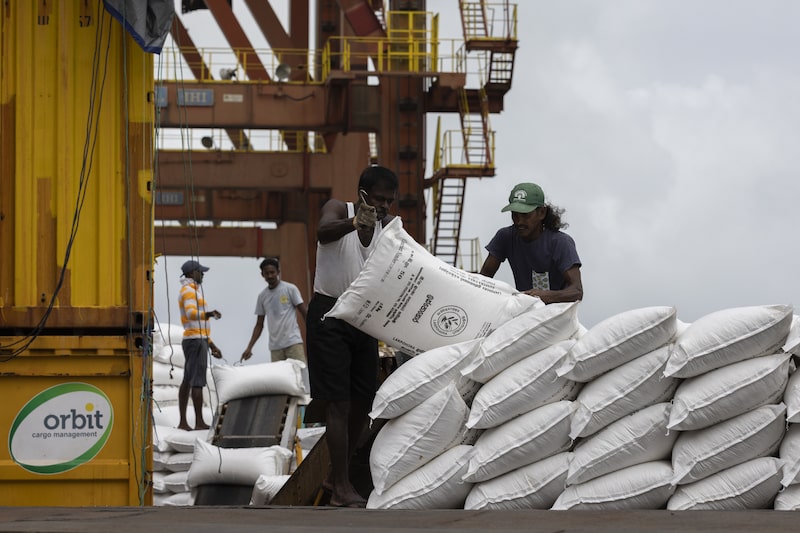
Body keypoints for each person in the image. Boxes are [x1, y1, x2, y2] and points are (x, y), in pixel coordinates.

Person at [306, 165, 399, 508]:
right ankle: (341, 488)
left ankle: (336, 476)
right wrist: (353, 221)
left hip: (362, 320)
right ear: (362, 195)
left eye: (390, 201)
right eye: (378, 199)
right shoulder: (338, 209)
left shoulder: (387, 228)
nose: (384, 206)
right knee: (339, 403)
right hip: (330, 315)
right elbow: (322, 232)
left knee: (364, 400)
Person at [480, 182, 583, 304]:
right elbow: (483, 280)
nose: (519, 222)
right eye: (515, 215)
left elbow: (577, 291)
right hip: (525, 314)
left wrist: (545, 296)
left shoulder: (560, 243)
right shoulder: (505, 237)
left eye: (525, 215)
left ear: (541, 213)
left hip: (558, 318)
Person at [177, 259, 222, 431]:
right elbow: (190, 314)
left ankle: (183, 422)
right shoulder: (189, 291)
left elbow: (198, 327)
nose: (202, 274)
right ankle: (199, 422)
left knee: (188, 380)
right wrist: (209, 314)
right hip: (195, 341)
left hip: (196, 340)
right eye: (200, 271)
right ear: (191, 274)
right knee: (197, 381)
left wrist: (211, 344)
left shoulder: (192, 291)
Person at [240, 257, 308, 364]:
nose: (270, 276)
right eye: (267, 273)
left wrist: (314, 334)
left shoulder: (290, 289)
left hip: (293, 342)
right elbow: (259, 324)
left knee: (300, 374)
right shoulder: (262, 296)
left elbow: (304, 313)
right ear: (262, 275)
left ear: (278, 272)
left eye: (272, 272)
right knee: (280, 379)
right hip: (275, 347)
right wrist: (249, 348)